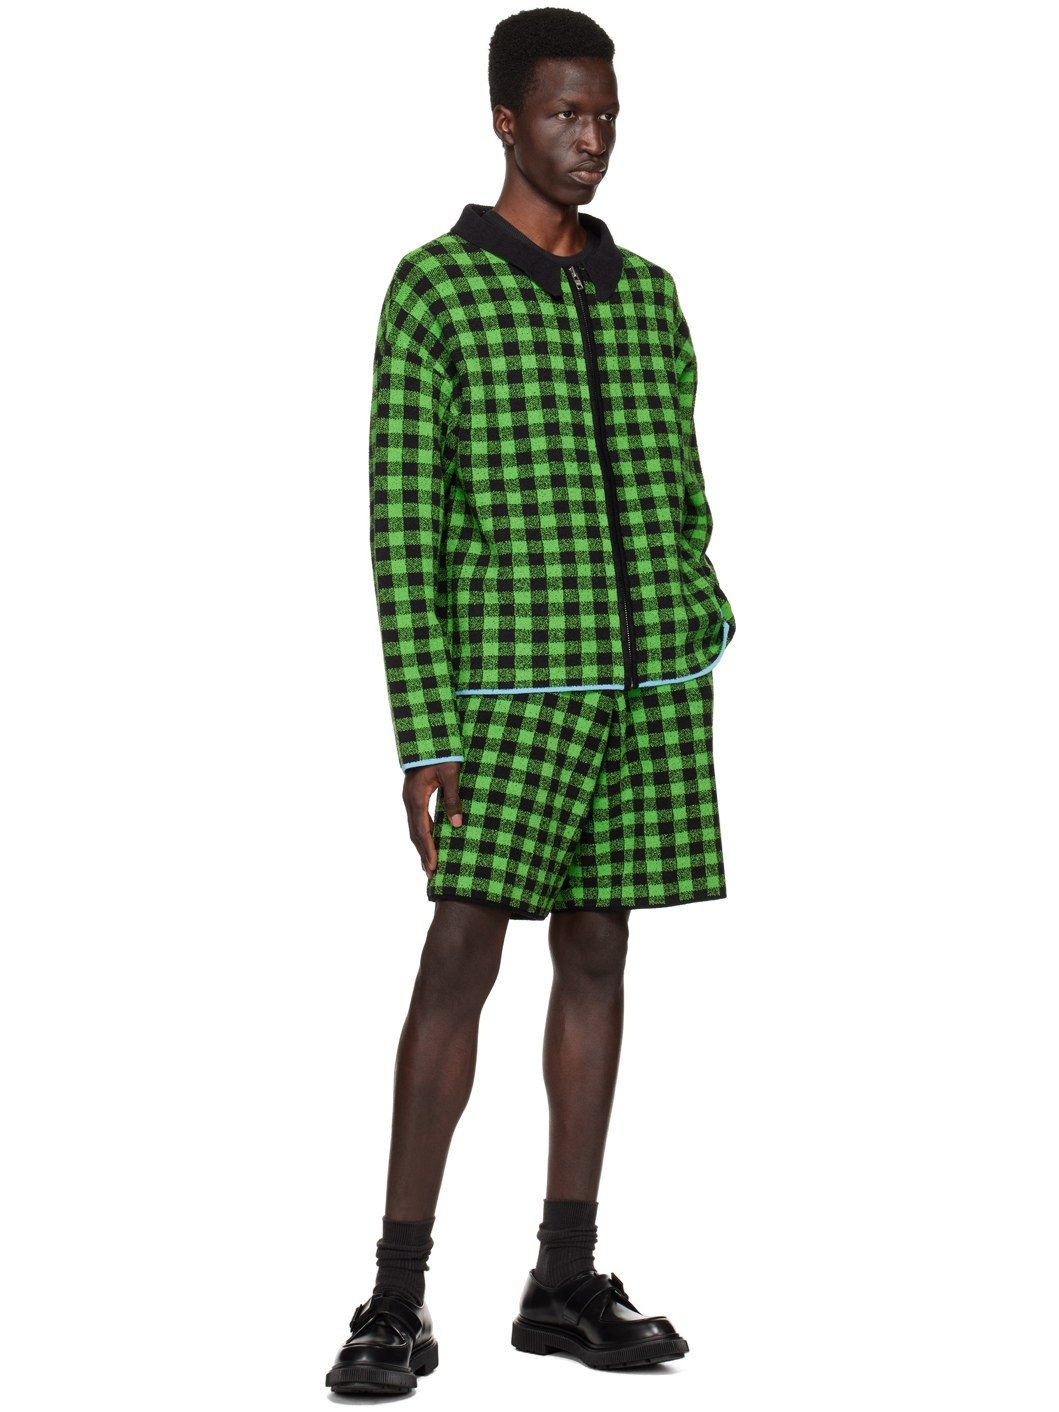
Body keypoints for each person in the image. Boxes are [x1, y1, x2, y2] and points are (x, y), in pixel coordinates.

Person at [325, 6, 737, 1394]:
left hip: (649, 685)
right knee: (459, 964)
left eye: (606, 115)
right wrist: (425, 735)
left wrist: (697, 608)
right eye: (566, 114)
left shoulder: (649, 292)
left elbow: (684, 481)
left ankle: (564, 1279)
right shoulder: (437, 290)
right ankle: (394, 1296)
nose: (591, 139)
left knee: (601, 953)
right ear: (505, 117)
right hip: (508, 697)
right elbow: (402, 525)